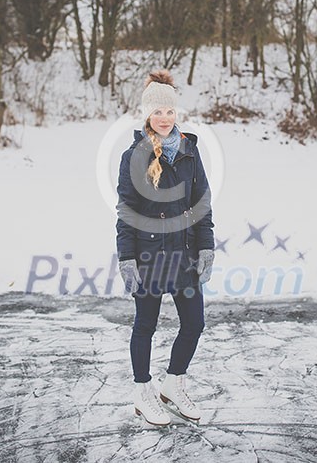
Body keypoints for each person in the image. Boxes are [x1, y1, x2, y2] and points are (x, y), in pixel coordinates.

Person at [115, 69, 215, 426]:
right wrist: (127, 259)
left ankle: (173, 383)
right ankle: (143, 392)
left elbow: (202, 203)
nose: (165, 118)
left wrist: (206, 247)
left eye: (170, 112)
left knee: (195, 323)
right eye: (158, 112)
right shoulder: (134, 156)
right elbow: (126, 211)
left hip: (185, 254)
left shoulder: (190, 151)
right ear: (147, 115)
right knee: (146, 325)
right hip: (148, 256)